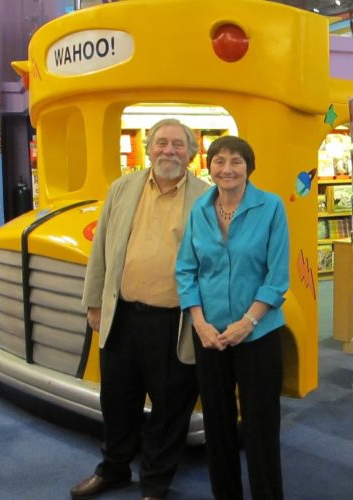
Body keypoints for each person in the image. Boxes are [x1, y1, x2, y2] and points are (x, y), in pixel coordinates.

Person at [70, 118, 210, 500]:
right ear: (148, 148)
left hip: (175, 322)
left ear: (191, 153)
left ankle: (155, 483)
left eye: (178, 145)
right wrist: (94, 302)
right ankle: (113, 470)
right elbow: (101, 249)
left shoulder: (206, 197)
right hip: (123, 316)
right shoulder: (122, 188)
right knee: (116, 400)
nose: (169, 150)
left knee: (170, 408)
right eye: (161, 143)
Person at [176, 136, 290, 500]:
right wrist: (199, 321)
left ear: (249, 167)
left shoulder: (271, 207)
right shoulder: (199, 209)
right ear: (208, 167)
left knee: (260, 427)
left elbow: (277, 278)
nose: (227, 169)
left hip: (257, 334)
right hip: (209, 334)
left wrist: (248, 323)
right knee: (217, 424)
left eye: (236, 161)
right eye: (219, 161)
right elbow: (186, 269)